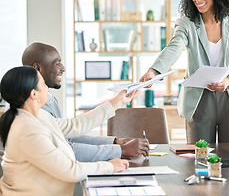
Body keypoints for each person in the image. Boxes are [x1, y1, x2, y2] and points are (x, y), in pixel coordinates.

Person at [139, 0, 229, 144]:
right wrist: (154, 71)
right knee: (200, 159)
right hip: (199, 100)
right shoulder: (187, 23)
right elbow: (173, 48)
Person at [0, 66, 133, 195]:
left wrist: (118, 101)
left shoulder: (37, 115)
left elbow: (74, 125)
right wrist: (110, 166)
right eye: (43, 83)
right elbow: (70, 170)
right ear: (34, 94)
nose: (47, 87)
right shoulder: (27, 130)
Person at [22, 42, 149, 161]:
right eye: (57, 63)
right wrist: (120, 150)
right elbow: (68, 146)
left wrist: (114, 142)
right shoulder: (34, 108)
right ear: (37, 68)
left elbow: (67, 136)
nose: (63, 68)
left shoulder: (48, 98)